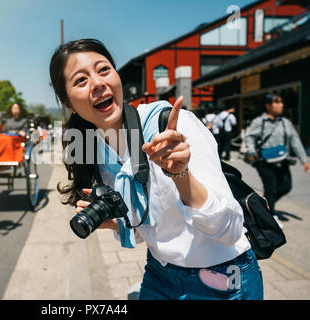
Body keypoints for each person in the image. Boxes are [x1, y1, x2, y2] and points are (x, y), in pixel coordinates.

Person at [50, 39, 263, 300]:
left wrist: (181, 175)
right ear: (70, 104)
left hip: (222, 278)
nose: (97, 83)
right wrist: (120, 225)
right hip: (160, 272)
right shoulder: (96, 151)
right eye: (80, 80)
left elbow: (229, 231)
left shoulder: (169, 125)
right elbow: (152, 228)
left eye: (103, 69)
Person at [245, 93, 309, 227]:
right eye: (278, 102)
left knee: (286, 186)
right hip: (264, 161)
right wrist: (251, 151)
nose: (282, 105)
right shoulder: (259, 121)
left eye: (281, 102)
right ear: (268, 106)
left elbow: (295, 141)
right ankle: (271, 215)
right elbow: (250, 137)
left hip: (282, 159)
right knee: (271, 188)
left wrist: (304, 159)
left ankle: (265, 205)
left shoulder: (286, 122)